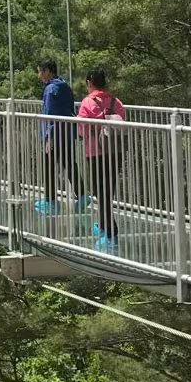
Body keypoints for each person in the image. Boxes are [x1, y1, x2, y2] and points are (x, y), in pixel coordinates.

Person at [78, 68, 126, 246]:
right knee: (108, 189)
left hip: (96, 152)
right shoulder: (116, 102)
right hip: (116, 151)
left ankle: (109, 230)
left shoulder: (87, 102)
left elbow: (82, 128)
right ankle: (106, 225)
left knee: (100, 191)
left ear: (90, 83)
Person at [37, 58, 85, 214]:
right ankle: (83, 195)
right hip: (67, 132)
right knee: (70, 164)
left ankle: (50, 202)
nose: (39, 75)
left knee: (49, 166)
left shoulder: (51, 89)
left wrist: (48, 137)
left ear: (48, 71)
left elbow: (50, 114)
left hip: (54, 134)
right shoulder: (64, 86)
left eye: (40, 71)